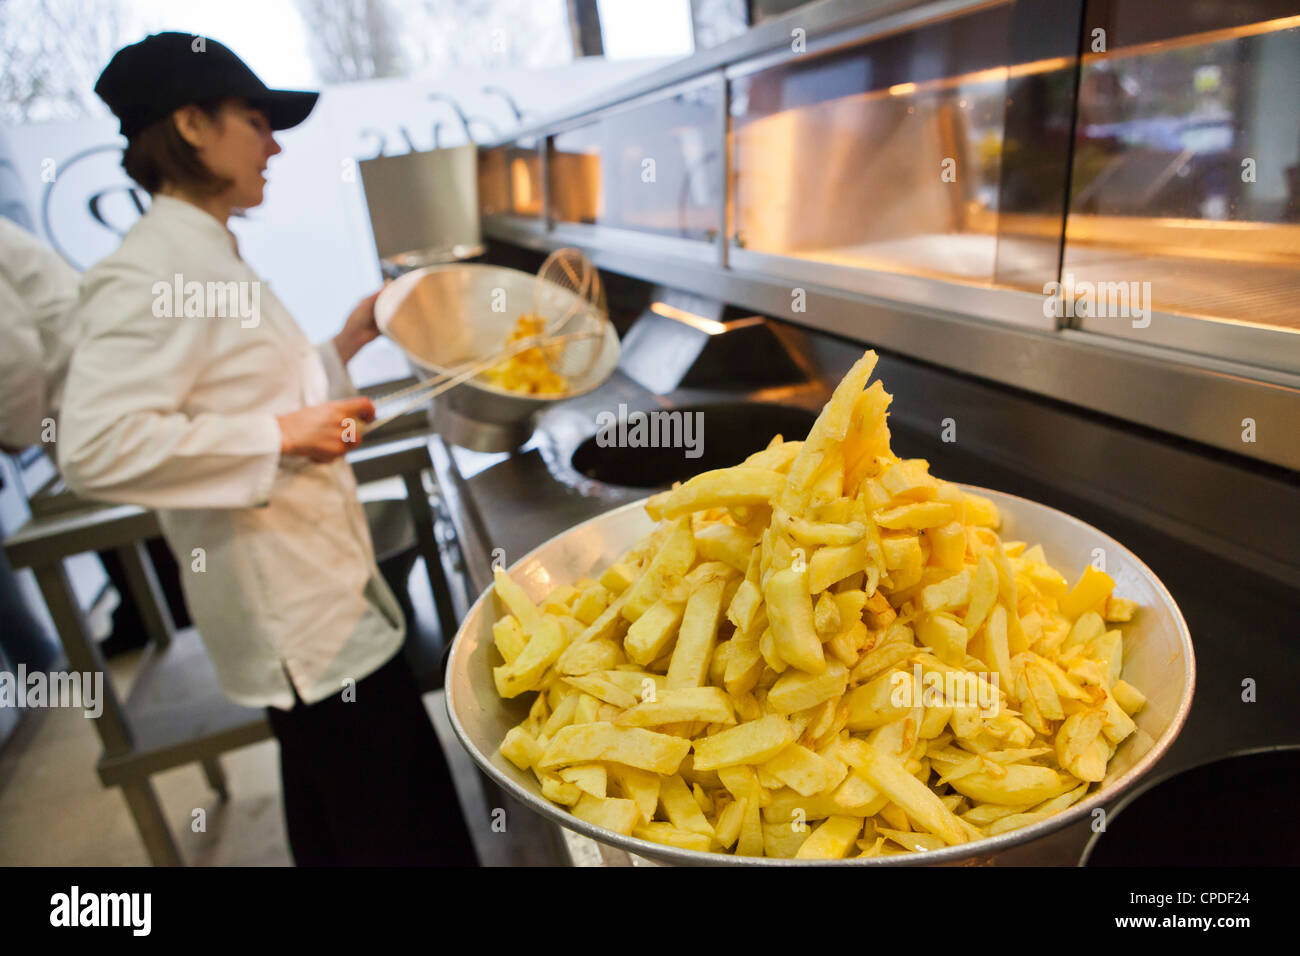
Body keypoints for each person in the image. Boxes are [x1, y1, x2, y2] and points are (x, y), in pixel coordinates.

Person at [58, 32, 476, 866]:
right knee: (386, 818)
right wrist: (282, 435)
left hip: (319, 586)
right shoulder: (146, 273)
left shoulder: (208, 248)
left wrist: (345, 345)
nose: (274, 143)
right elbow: (94, 447)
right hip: (296, 616)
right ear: (192, 124)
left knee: (340, 805)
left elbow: (246, 389)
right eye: (255, 120)